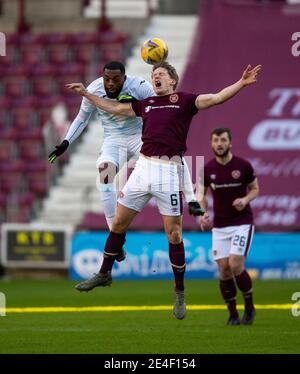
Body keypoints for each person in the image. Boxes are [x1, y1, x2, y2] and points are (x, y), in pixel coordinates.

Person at [67, 61, 261, 320]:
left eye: (160, 74)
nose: (155, 77)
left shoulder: (184, 101)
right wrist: (87, 94)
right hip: (143, 168)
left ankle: (179, 291)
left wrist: (241, 83)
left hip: (168, 172)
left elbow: (216, 98)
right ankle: (104, 273)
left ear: (172, 80)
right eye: (153, 75)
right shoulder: (146, 104)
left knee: (174, 234)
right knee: (117, 224)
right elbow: (113, 107)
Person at [48, 61, 203, 252]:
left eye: (116, 79)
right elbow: (82, 118)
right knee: (104, 179)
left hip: (139, 137)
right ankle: (115, 236)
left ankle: (191, 197)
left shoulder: (139, 86)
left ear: (124, 78)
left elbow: (161, 106)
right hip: (113, 140)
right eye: (107, 79)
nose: (111, 83)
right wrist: (66, 142)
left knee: (171, 156)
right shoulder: (94, 88)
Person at [198, 128, 259, 326]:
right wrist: (202, 213)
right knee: (224, 270)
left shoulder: (243, 166)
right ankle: (233, 314)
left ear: (230, 143)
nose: (219, 144)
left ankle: (249, 307)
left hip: (242, 223)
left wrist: (245, 199)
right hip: (220, 226)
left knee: (235, 264)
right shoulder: (207, 169)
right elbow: (201, 195)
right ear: (211, 144)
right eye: (216, 140)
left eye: (223, 140)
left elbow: (255, 189)